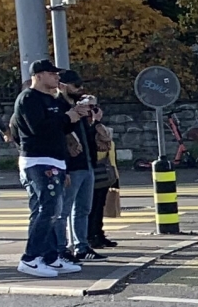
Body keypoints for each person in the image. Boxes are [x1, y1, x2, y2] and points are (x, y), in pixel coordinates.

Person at [10, 59, 87, 277]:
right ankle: (31, 257)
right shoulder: (28, 99)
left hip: (54, 159)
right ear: (39, 76)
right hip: (38, 160)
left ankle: (51, 256)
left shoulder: (52, 99)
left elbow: (63, 127)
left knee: (52, 209)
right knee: (47, 209)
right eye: (52, 74)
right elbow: (39, 128)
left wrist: (75, 114)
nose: (57, 77)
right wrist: (66, 117)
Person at [56, 71, 98, 262]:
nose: (80, 89)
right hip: (70, 165)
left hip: (86, 162)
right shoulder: (59, 106)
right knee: (63, 210)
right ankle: (61, 248)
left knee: (83, 209)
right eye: (76, 86)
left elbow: (86, 134)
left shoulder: (77, 106)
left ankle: (82, 246)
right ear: (63, 86)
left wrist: (93, 116)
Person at [86, 103, 120, 250]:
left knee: (100, 206)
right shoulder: (88, 128)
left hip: (106, 170)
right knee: (92, 207)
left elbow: (109, 148)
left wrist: (115, 176)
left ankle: (99, 234)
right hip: (94, 169)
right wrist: (96, 122)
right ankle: (91, 236)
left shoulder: (99, 127)